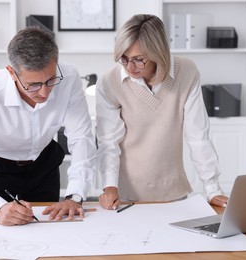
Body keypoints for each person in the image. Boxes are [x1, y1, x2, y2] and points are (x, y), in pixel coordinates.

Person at [0, 27, 96, 226]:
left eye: (51, 80)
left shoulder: (69, 79)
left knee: (51, 231)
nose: (45, 93)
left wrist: (75, 196)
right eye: (33, 84)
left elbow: (82, 138)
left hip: (44, 166)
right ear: (11, 72)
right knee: (2, 235)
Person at [96, 14, 228, 210]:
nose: (130, 67)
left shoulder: (187, 72)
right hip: (125, 197)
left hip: (174, 194)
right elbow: (108, 141)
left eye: (138, 59)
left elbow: (197, 136)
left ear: (158, 52)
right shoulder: (110, 81)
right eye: (123, 59)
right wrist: (109, 187)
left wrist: (213, 188)